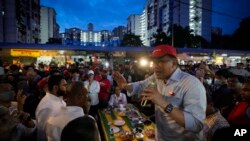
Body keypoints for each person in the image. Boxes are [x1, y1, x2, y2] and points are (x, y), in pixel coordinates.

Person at [113, 44, 206, 141]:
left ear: (173, 63)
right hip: (160, 136)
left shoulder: (191, 84)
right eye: (154, 62)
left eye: (161, 61)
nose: (156, 66)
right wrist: (126, 86)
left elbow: (196, 124)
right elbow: (141, 85)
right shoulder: (158, 77)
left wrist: (163, 103)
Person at [35, 75, 67, 141]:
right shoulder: (47, 106)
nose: (66, 88)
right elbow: (41, 132)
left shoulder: (59, 99)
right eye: (64, 85)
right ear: (55, 88)